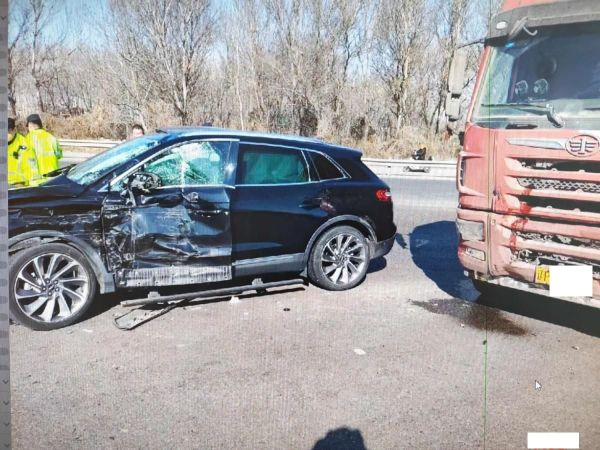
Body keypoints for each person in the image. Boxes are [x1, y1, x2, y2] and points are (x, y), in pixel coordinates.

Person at [25, 113, 62, 183]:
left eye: (28, 126)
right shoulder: (51, 137)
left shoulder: (28, 139)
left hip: (37, 179)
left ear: (30, 125)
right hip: (53, 177)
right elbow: (59, 155)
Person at [7, 118, 37, 187]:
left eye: (8, 132)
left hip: (18, 185)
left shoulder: (24, 145)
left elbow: (32, 168)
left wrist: (32, 187)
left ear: (14, 130)